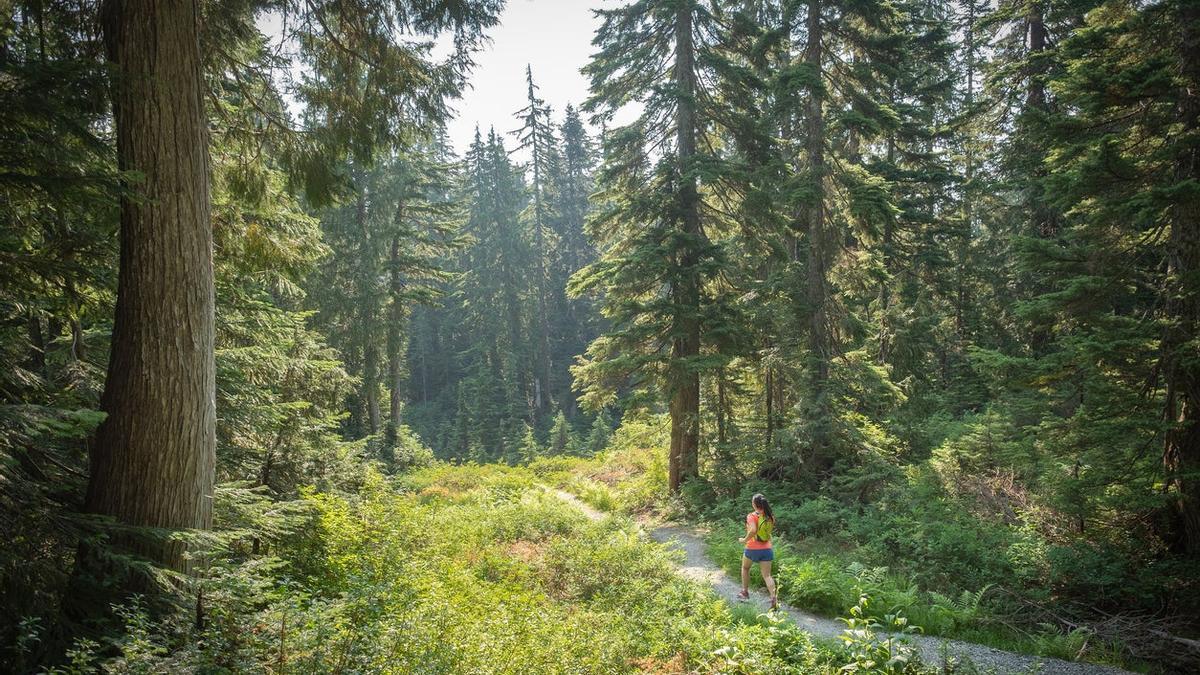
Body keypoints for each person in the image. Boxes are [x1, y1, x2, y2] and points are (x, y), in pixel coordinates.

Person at [737, 493, 778, 609]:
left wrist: (744, 540)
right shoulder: (770, 516)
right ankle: (773, 598)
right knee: (767, 575)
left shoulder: (751, 516)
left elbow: (753, 530)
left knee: (745, 568)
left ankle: (745, 592)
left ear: (754, 504)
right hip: (767, 549)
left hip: (752, 548)